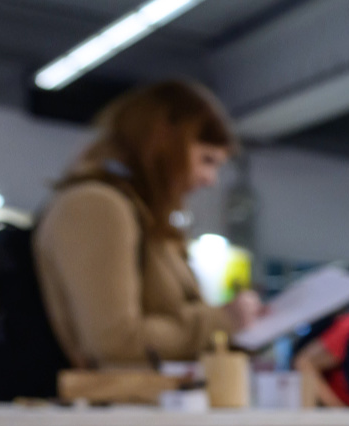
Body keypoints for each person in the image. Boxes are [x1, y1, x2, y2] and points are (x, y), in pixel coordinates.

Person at [33, 80, 263, 370]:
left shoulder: (142, 215)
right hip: (115, 411)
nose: (210, 179)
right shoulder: (98, 205)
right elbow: (114, 340)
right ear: (164, 140)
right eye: (206, 160)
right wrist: (223, 321)